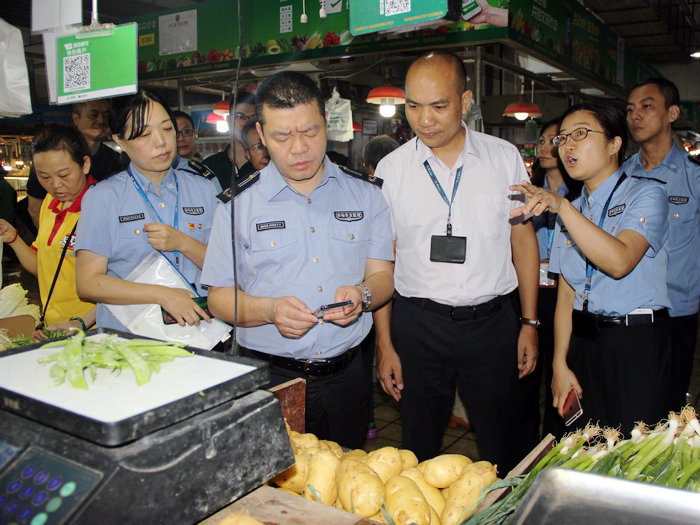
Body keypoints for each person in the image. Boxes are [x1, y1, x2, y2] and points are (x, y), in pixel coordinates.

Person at [200, 71, 395, 449]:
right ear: (260, 132)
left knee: (347, 484)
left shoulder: (366, 196)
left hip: (348, 377)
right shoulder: (237, 205)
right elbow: (218, 298)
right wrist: (270, 310)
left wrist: (362, 295)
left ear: (327, 124)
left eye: (310, 132)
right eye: (282, 137)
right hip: (272, 377)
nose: (299, 148)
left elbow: (383, 277)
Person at [374, 50, 539, 472]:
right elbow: (382, 262)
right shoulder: (391, 170)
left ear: (465, 102)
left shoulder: (504, 159)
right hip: (418, 327)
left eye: (438, 106)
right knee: (418, 443)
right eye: (413, 106)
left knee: (504, 442)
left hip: (492, 326)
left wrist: (529, 323)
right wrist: (385, 344)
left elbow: (523, 243)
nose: (424, 119)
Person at [511, 101, 671, 434]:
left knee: (631, 453)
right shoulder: (573, 207)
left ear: (614, 144)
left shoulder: (647, 194)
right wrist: (559, 363)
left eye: (580, 134)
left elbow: (619, 261)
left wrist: (563, 208)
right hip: (581, 342)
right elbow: (566, 296)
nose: (567, 145)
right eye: (563, 138)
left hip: (633, 342)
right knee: (578, 447)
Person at [75, 89, 220, 330]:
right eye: (144, 134)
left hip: (201, 333)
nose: (161, 142)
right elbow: (88, 283)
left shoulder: (204, 189)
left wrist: (183, 243)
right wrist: (163, 295)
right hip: (130, 342)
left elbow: (227, 268)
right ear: (119, 140)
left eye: (166, 128)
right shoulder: (103, 197)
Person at [623, 78, 699, 412]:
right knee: (628, 409)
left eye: (646, 106)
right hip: (628, 313)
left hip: (676, 316)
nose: (635, 116)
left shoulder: (694, 178)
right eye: (630, 109)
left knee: (668, 412)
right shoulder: (622, 176)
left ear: (672, 113)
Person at [0, 124, 96, 333]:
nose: (55, 185)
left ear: (85, 164)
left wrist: (83, 322)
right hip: (55, 329)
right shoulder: (49, 204)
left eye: (64, 175)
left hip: (91, 330)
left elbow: (122, 279)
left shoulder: (101, 207)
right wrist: (13, 239)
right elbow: (43, 267)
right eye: (44, 177)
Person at [527, 120, 581, 440]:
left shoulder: (577, 193)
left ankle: (556, 438)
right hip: (530, 290)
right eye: (543, 141)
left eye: (554, 140)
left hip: (563, 293)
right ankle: (525, 444)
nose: (546, 147)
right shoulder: (528, 186)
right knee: (527, 371)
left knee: (558, 368)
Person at [26, 99, 121, 229]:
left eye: (105, 116)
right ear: (76, 118)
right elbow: (34, 209)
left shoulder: (117, 161)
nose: (100, 121)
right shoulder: (45, 161)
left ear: (85, 165)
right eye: (93, 115)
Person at [360, 134, 400, 440]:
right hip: (372, 294)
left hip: (376, 292)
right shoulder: (365, 197)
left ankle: (369, 418)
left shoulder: (366, 195)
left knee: (374, 354)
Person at [203, 91, 256, 190]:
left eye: (253, 118)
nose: (247, 123)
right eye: (240, 116)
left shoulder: (266, 164)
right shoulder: (210, 167)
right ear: (228, 120)